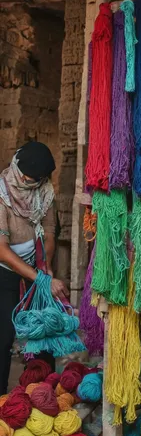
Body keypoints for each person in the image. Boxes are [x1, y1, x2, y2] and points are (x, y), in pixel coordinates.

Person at [0, 141, 69, 395]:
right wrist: (41, 279)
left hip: (36, 267)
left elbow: (49, 231)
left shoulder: (44, 188)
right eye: (32, 179)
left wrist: (46, 266)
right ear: (19, 170)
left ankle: (42, 395)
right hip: (5, 272)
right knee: (4, 337)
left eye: (41, 179)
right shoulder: (2, 193)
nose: (35, 184)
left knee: (43, 333)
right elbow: (2, 250)